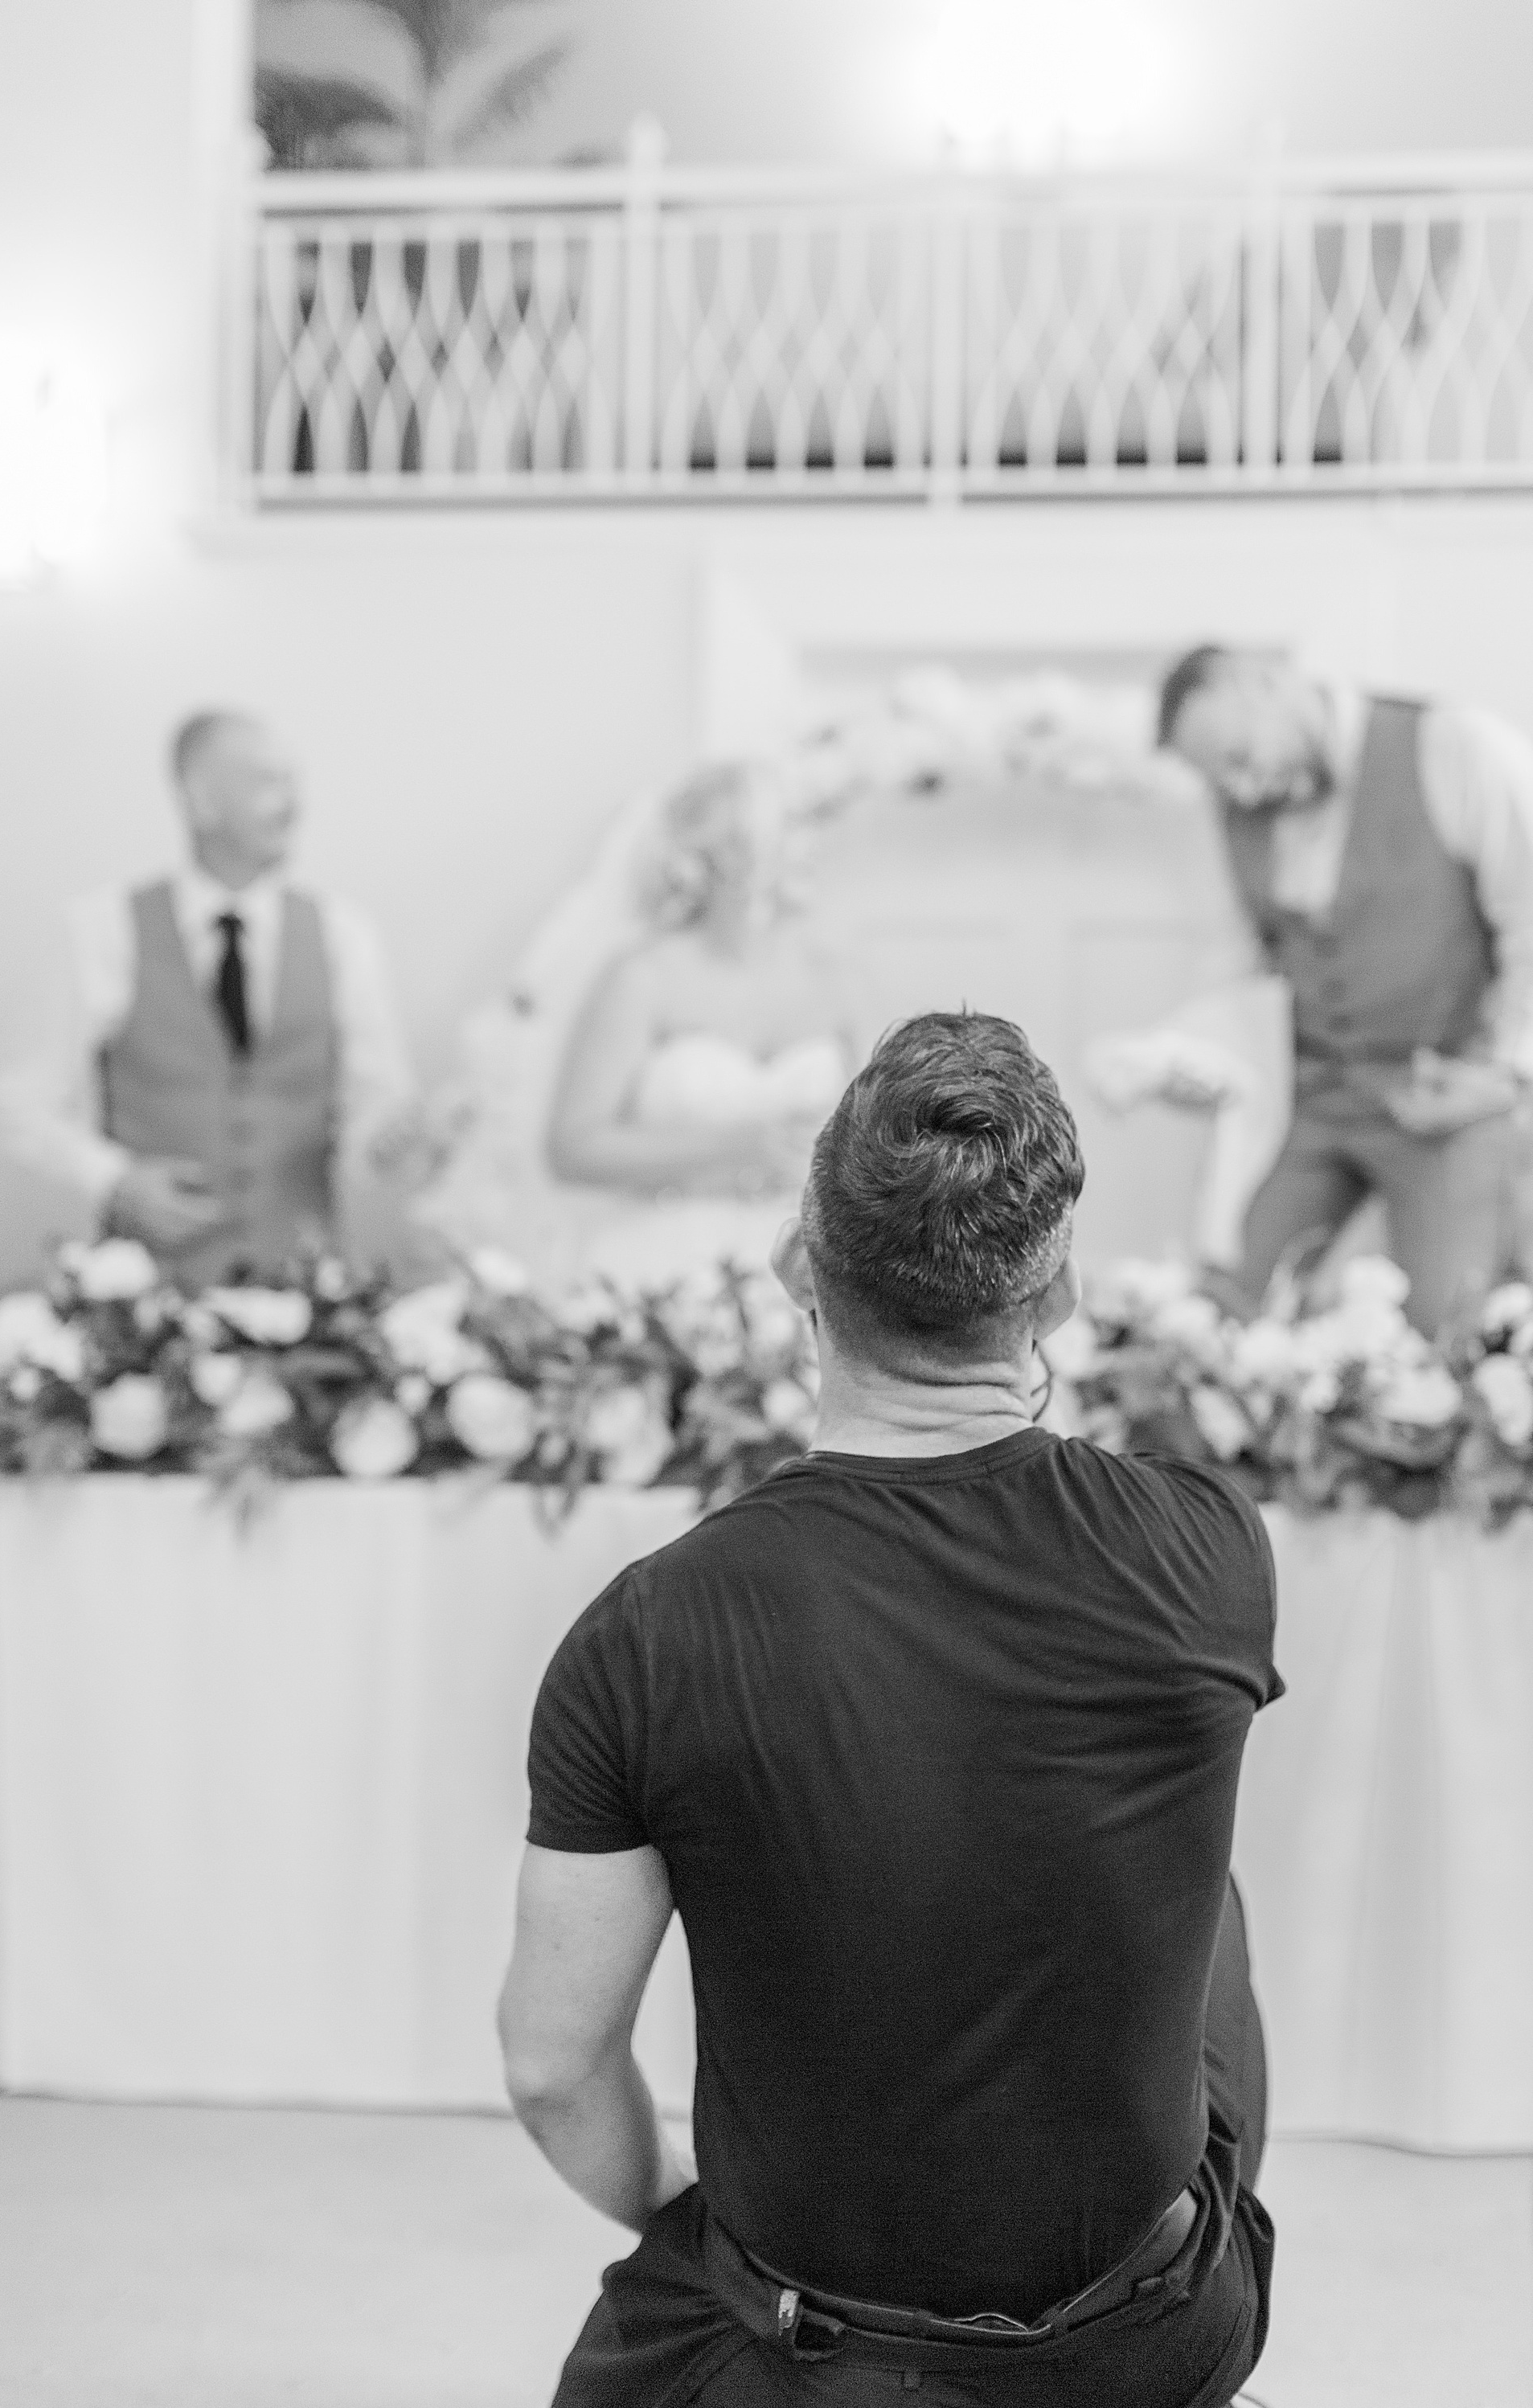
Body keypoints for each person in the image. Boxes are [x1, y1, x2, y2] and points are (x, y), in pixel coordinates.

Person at [499, 1010, 1281, 2407]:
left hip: (813, 2354)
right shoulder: (1208, 1550)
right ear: (1057, 1298)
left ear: (800, 1264)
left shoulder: (651, 1627)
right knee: (1208, 1894)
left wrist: (690, 2230)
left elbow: (554, 2065)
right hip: (1149, 2339)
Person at [0, 709, 448, 1290]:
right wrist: (115, 1181)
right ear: (201, 801)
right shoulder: (101, 929)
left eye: (292, 781)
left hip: (307, 1299)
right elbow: (17, 1102)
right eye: (267, 782)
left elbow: (374, 1111)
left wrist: (391, 1143)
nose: (292, 803)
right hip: (146, 1305)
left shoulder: (343, 934)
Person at [1153, 645, 1533, 1333]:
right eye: (1220, 781)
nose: (1241, 791)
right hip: (1315, 1097)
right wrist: (1184, 1055)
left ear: (1269, 682)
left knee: (1447, 1335)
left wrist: (1509, 1073)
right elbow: (1236, 960)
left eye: (1241, 757)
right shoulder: (1241, 806)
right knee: (1217, 1320)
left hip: (1449, 1094)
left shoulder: (1456, 747)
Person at [543, 762, 856, 1288]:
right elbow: (572, 1149)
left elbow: (887, 1141)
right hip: (661, 1260)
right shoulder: (641, 978)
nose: (808, 848)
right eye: (786, 833)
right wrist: (738, 1144)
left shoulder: (840, 980)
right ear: (717, 856)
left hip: (812, 1266)